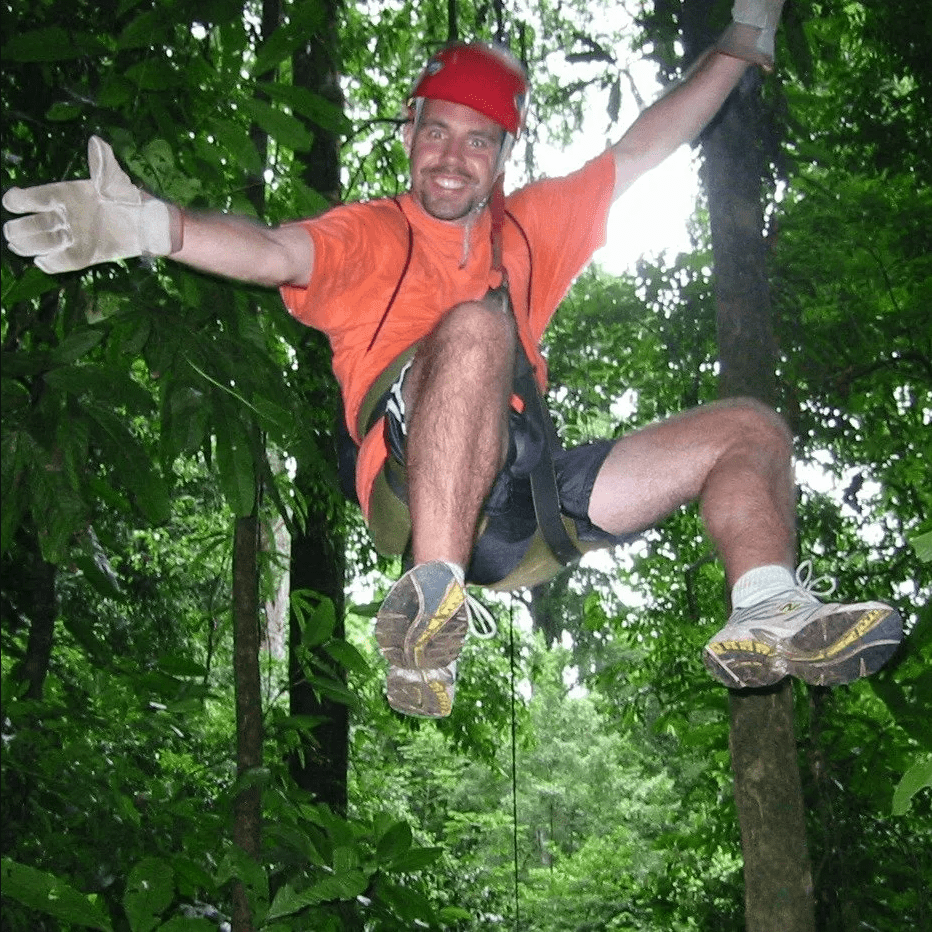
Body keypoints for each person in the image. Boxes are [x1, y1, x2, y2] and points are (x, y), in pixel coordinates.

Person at [2, 0, 902, 718]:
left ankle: (770, 607)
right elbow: (273, 251)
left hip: (523, 504)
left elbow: (644, 149)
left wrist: (743, 44)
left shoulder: (529, 228)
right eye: (437, 132)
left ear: (504, 156)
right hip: (412, 484)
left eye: (479, 140)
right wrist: (154, 225)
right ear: (408, 136)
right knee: (474, 329)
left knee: (750, 429)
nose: (452, 157)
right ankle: (428, 607)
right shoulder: (371, 233)